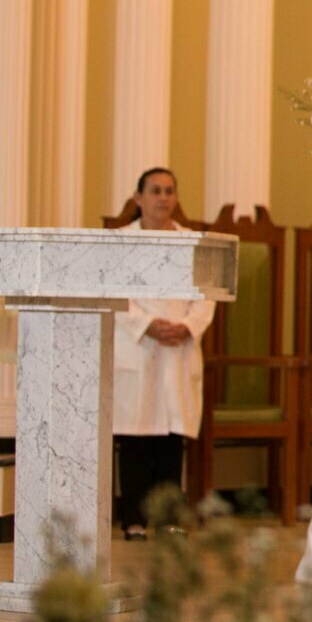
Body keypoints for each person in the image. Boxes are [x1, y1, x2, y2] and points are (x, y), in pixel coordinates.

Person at [113, 167, 212, 540]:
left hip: (178, 348)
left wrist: (187, 325)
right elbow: (114, 295)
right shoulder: (120, 242)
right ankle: (134, 520)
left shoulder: (193, 242)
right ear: (138, 198)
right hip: (138, 347)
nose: (163, 198)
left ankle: (170, 517)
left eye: (170, 191)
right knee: (136, 437)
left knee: (171, 437)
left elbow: (208, 293)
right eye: (155, 190)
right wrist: (147, 325)